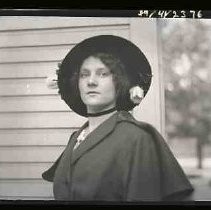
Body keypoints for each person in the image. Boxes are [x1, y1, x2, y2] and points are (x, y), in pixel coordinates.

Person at [42, 35, 194, 201]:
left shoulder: (137, 139)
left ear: (119, 82)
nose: (91, 82)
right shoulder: (76, 138)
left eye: (103, 74)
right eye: (84, 75)